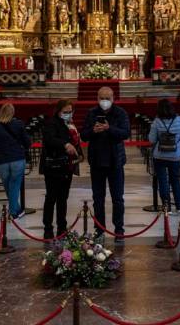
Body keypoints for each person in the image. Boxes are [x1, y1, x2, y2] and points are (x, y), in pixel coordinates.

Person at [81, 87, 130, 243]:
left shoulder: (120, 113)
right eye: (101, 97)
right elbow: (83, 135)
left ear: (112, 98)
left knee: (117, 199)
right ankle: (99, 229)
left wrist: (110, 128)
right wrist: (93, 131)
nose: (104, 101)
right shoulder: (91, 113)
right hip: (97, 162)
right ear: (97, 98)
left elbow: (125, 133)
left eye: (107, 98)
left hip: (115, 161)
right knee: (98, 199)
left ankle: (119, 230)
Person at [40, 99, 82, 239]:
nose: (68, 114)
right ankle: (48, 228)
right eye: (65, 112)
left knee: (63, 198)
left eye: (70, 112)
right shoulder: (51, 123)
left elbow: (75, 142)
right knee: (51, 197)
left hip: (66, 166)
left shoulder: (70, 124)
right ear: (58, 112)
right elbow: (50, 139)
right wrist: (65, 144)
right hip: (53, 166)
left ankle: (62, 228)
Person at [0, 103, 32, 219]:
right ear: (12, 112)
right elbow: (27, 142)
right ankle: (13, 213)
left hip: (2, 161)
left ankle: (16, 208)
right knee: (14, 186)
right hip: (17, 159)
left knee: (9, 187)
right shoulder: (19, 124)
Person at [148, 99, 180, 214]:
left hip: (160, 156)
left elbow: (151, 140)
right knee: (175, 180)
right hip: (175, 155)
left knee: (162, 181)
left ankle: (167, 207)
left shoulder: (157, 122)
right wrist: (178, 142)